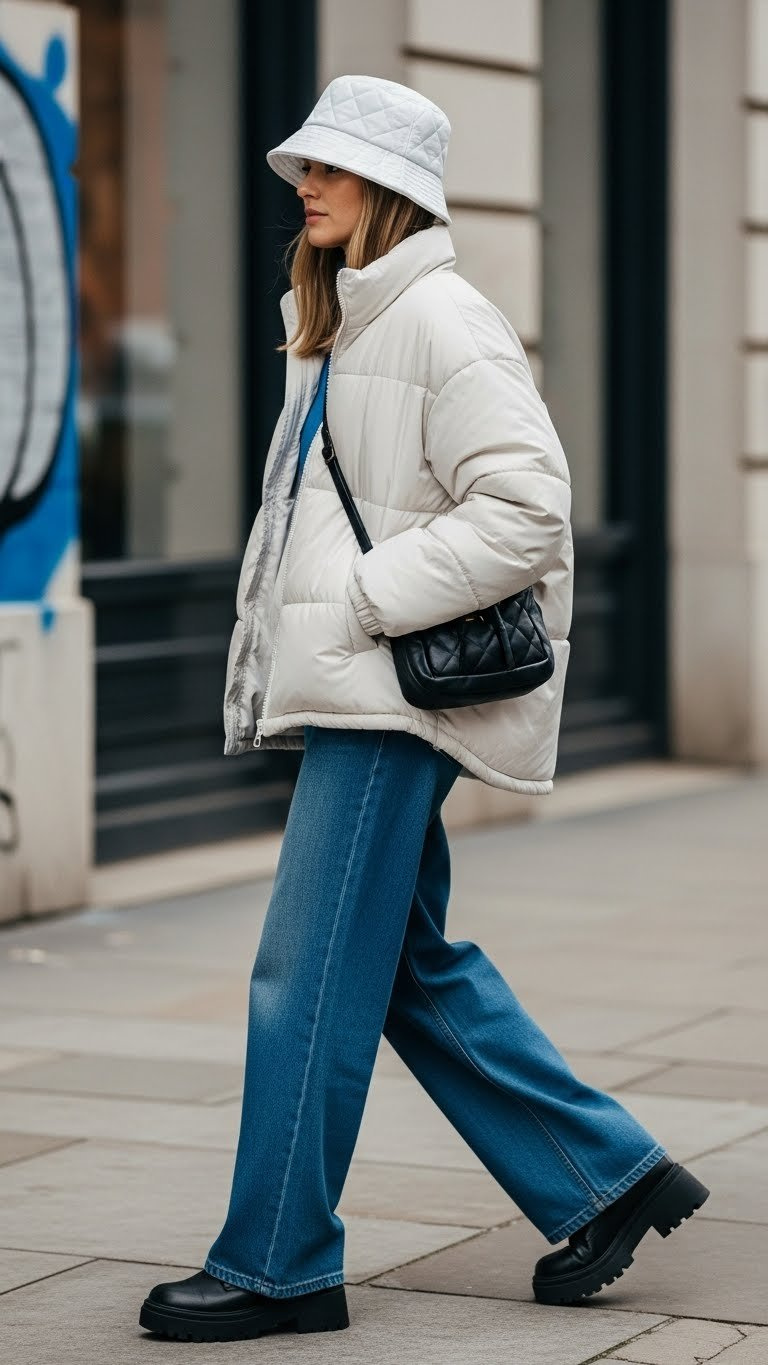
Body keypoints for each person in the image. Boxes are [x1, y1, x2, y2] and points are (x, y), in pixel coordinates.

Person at [139, 74, 709, 1343]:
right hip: (362, 685)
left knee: (307, 974)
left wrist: (364, 600)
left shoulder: (442, 321)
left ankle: (278, 1262)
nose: (308, 184)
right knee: (402, 964)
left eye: (333, 167)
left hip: (391, 694)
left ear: (395, 189)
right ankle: (605, 1180)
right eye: (305, 168)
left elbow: (527, 510)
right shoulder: (342, 319)